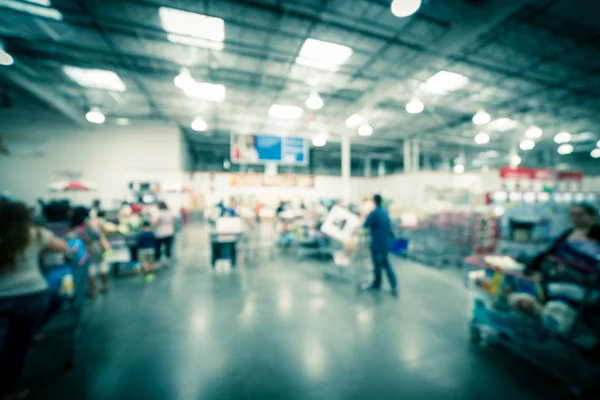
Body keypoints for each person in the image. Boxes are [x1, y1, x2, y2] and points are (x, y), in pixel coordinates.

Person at [0, 201, 69, 399]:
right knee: (16, 345)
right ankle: (7, 390)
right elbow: (63, 247)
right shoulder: (36, 234)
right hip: (31, 295)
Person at [527, 203, 600, 274]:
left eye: (579, 215)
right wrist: (534, 267)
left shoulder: (597, 233)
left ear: (592, 216)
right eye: (572, 215)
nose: (575, 218)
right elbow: (551, 251)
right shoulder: (568, 233)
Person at [69, 206, 111, 297]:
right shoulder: (91, 222)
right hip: (97, 246)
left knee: (91, 268)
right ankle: (105, 285)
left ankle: (94, 290)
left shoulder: (76, 227)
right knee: (102, 264)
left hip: (85, 248)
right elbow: (98, 235)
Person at [363, 194, 398, 295]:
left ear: (374, 202)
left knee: (381, 265)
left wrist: (365, 215)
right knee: (383, 264)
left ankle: (381, 284)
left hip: (378, 244)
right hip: (386, 243)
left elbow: (365, 225)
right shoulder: (385, 212)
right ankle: (385, 284)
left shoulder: (374, 213)